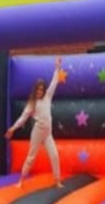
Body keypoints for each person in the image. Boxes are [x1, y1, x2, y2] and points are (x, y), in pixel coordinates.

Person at [5, 57, 64, 188]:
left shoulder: (47, 97)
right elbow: (23, 117)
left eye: (41, 90)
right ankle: (21, 180)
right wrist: (13, 128)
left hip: (48, 133)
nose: (40, 92)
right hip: (37, 132)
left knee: (54, 155)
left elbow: (54, 82)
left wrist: (57, 67)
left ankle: (57, 180)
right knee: (31, 156)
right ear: (35, 90)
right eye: (38, 89)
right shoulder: (32, 103)